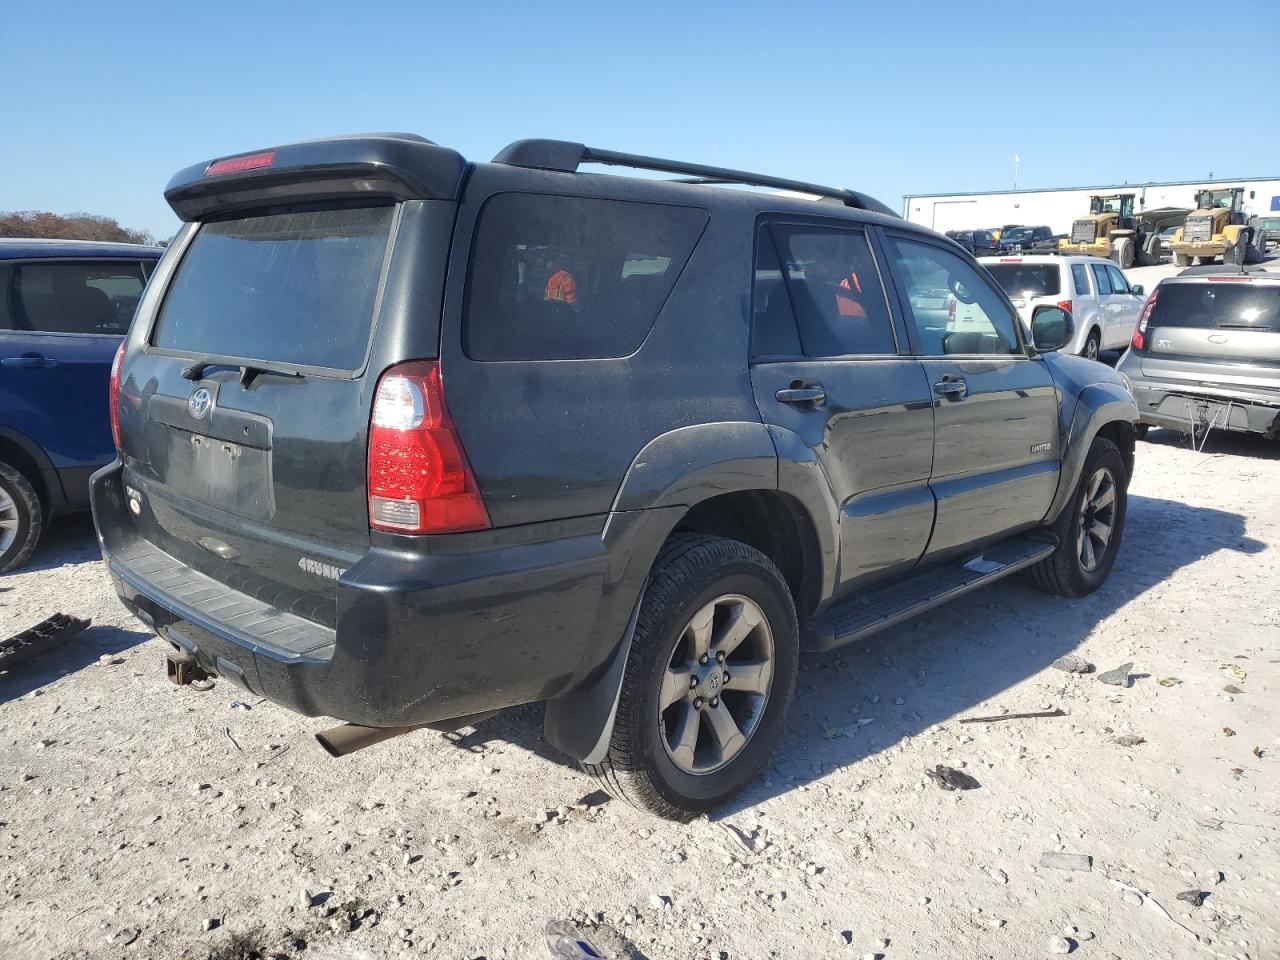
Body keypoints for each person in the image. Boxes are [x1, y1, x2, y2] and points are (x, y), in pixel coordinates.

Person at [802, 253, 866, 318]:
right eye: (814, 274)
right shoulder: (839, 292)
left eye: (816, 269)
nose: (819, 273)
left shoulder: (852, 282)